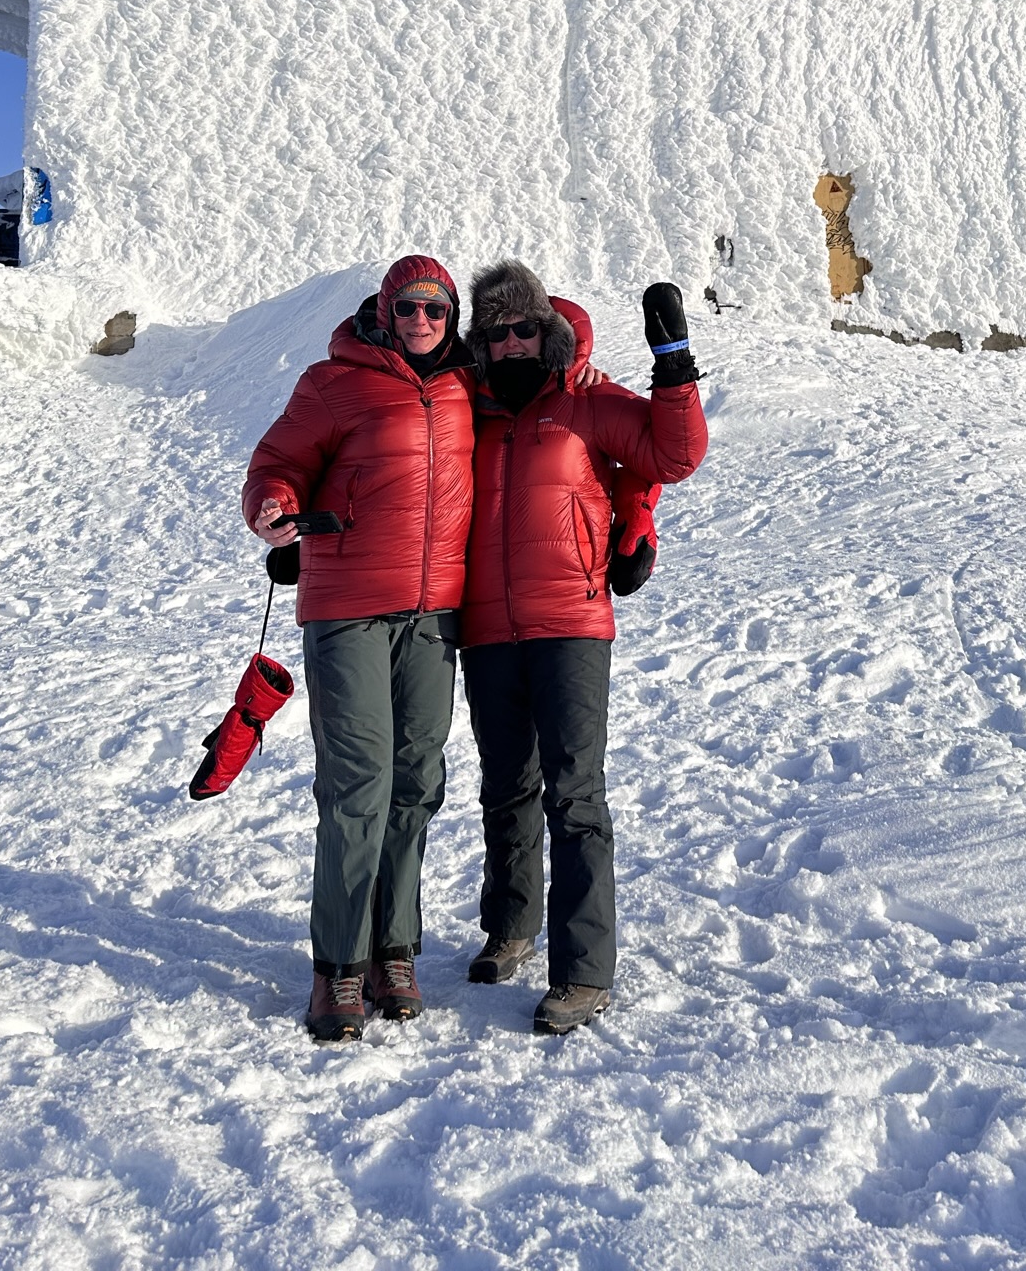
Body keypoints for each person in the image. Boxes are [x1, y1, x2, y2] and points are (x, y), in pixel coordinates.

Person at [459, 262, 708, 1034]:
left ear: (546, 326)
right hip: (486, 626)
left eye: (523, 327)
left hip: (571, 620)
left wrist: (674, 365)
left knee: (573, 795)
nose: (510, 343)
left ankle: (584, 970)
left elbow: (673, 456)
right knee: (504, 786)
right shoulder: (468, 409)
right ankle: (512, 926)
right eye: (494, 333)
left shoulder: (586, 399)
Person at [243, 255, 476, 1043]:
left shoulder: (464, 386)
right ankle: (337, 965)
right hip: (347, 609)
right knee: (357, 782)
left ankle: (393, 948)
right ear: (384, 311)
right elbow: (279, 463)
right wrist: (275, 505)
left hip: (435, 613)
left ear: (453, 319)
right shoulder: (332, 381)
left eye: (436, 311)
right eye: (407, 309)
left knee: (417, 779)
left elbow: (556, 346)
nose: (420, 322)